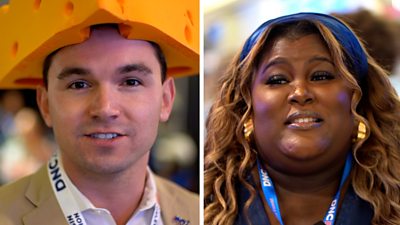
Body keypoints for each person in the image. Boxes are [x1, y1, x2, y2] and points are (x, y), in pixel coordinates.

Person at [0, 1, 199, 225]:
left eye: (131, 81)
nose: (105, 109)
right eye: (79, 85)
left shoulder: (199, 212)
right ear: (45, 104)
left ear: (165, 100)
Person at [204, 12, 400, 225]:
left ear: (360, 98)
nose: (300, 92)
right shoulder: (207, 206)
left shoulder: (393, 200)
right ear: (246, 107)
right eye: (278, 79)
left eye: (321, 76)